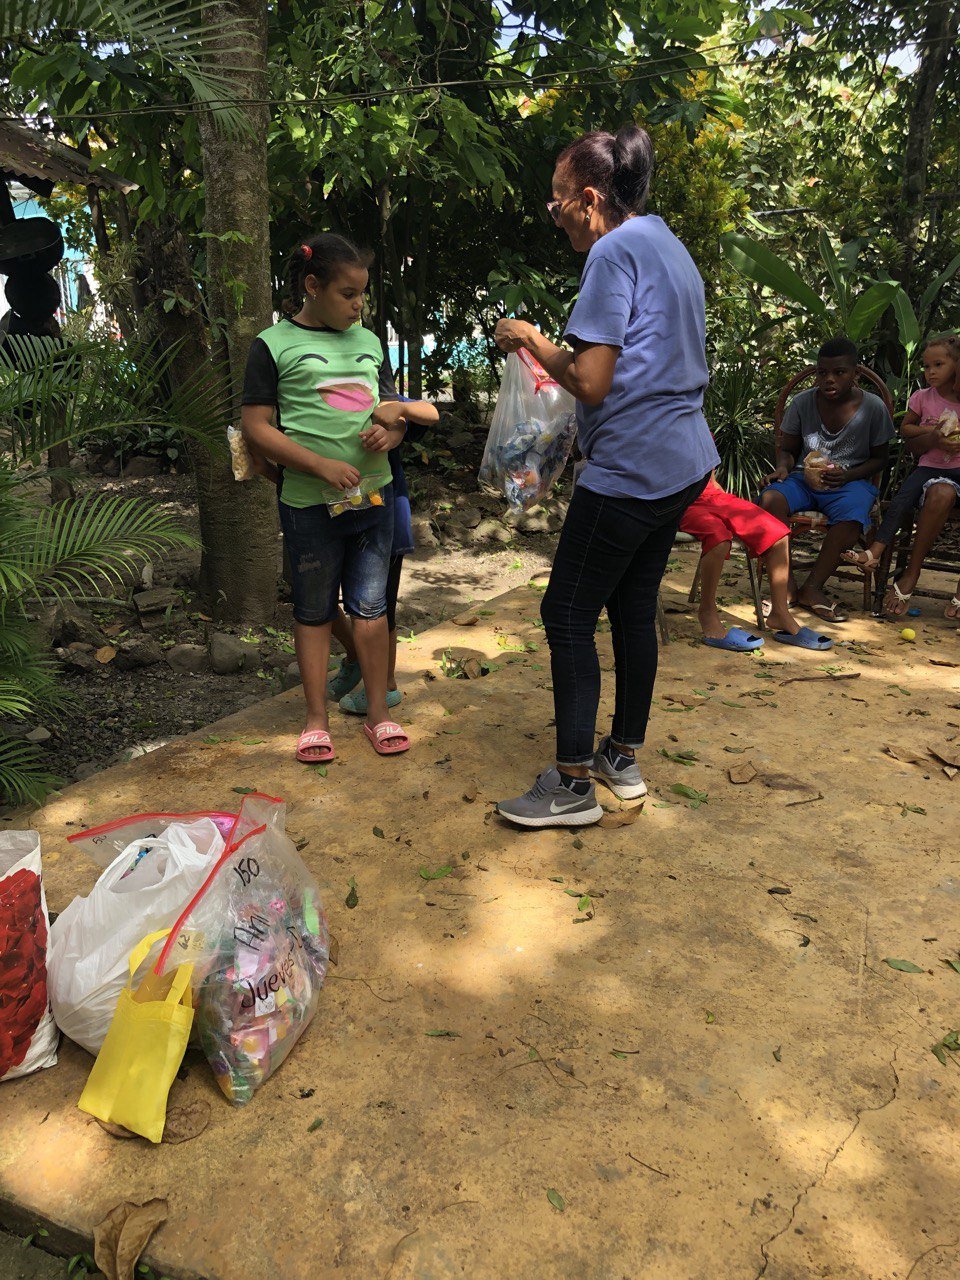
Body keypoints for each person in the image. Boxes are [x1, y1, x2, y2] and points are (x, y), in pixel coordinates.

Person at [491, 124, 718, 829]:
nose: (554, 214)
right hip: (683, 459)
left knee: (564, 613)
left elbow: (591, 380)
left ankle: (572, 785)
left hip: (633, 468)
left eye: (557, 201)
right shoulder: (666, 243)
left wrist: (530, 337)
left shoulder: (614, 252)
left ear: (589, 199)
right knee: (631, 606)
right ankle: (621, 754)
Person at [241, 233, 410, 762]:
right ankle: (316, 721)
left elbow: (391, 409)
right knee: (314, 612)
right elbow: (256, 427)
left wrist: (393, 434)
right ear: (311, 287)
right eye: (347, 293)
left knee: (372, 607)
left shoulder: (368, 341)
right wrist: (317, 465)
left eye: (363, 293)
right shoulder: (273, 345)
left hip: (373, 500)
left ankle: (378, 714)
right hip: (308, 504)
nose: (358, 304)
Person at [758, 336, 893, 623]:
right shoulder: (803, 402)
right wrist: (782, 469)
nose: (829, 379)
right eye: (822, 373)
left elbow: (881, 458)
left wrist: (849, 475)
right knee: (771, 499)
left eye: (839, 372)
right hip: (802, 479)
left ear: (855, 374)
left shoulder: (873, 407)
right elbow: (789, 449)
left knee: (852, 515)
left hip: (849, 482)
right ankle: (787, 586)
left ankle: (813, 587)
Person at [328, 370, 439, 714]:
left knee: (380, 605)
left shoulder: (376, 397)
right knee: (320, 598)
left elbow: (432, 413)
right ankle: (357, 658)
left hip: (383, 512)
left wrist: (398, 414)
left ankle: (387, 684)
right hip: (328, 509)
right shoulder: (319, 400)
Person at [841, 334, 960, 617]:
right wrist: (933, 435)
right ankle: (876, 550)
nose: (930, 372)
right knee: (902, 498)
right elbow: (906, 431)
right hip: (931, 469)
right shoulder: (922, 397)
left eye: (938, 365)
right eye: (926, 366)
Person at [679, 474, 832, 651]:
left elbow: (708, 469)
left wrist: (719, 496)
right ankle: (707, 612)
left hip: (712, 495)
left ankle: (780, 613)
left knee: (778, 534)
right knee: (719, 540)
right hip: (679, 500)